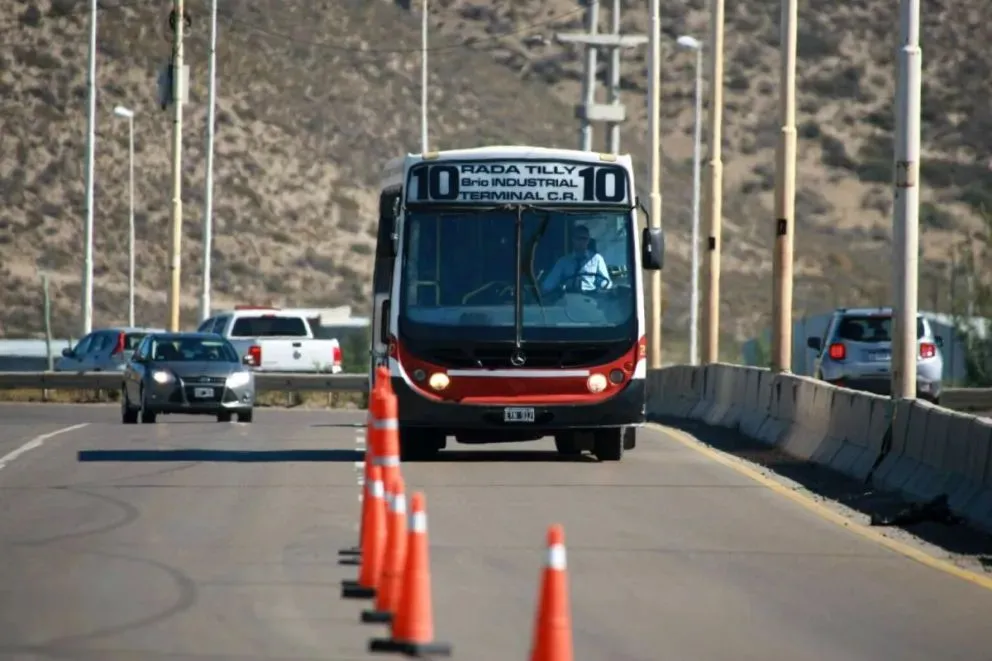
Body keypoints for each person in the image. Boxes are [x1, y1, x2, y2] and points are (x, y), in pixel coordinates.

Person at [540, 225, 612, 294]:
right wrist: (544, 291)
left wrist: (605, 288)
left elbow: (605, 281)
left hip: (591, 298)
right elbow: (550, 283)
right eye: (578, 238)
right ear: (573, 239)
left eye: (584, 238)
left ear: (588, 240)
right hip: (568, 299)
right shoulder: (563, 261)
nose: (581, 242)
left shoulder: (597, 259)